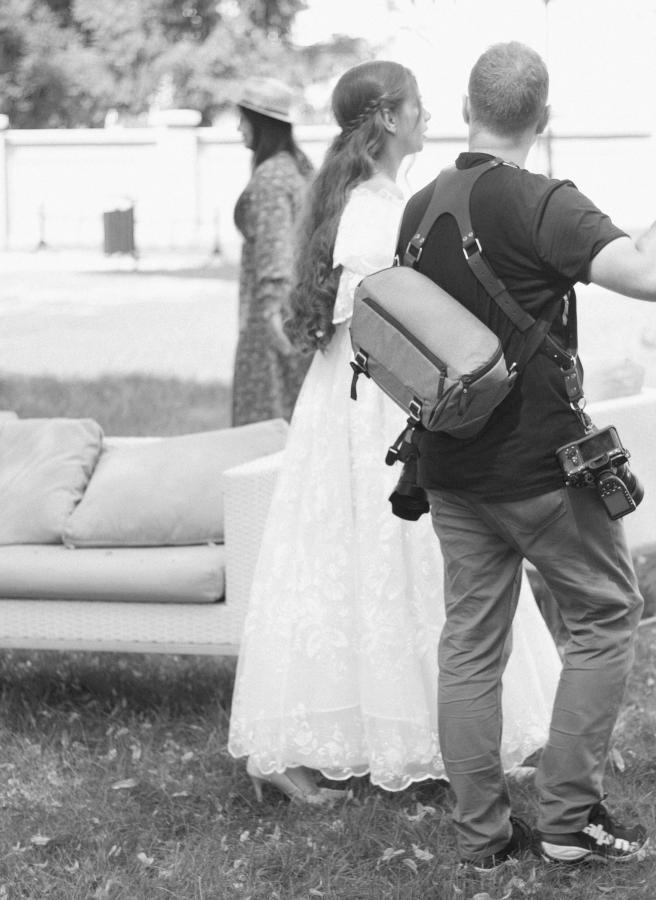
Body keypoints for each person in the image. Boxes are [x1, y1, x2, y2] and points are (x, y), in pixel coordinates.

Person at [396, 41, 656, 870]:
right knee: (606, 613)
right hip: (539, 470)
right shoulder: (543, 202)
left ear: (467, 109)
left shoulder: (420, 208)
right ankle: (569, 821)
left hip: (450, 468)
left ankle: (481, 836)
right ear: (543, 118)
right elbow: (653, 273)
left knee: (470, 644)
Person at [227, 60, 561, 804]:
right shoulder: (372, 209)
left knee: (390, 562)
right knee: (380, 554)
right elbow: (375, 317)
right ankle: (325, 742)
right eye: (416, 104)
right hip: (370, 401)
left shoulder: (377, 199)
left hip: (369, 393)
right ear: (387, 117)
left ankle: (435, 733)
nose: (427, 114)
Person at [232, 76, 315, 427]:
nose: (239, 128)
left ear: (260, 123)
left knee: (265, 427)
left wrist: (270, 317)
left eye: (243, 120)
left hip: (273, 322)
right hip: (298, 314)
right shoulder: (296, 169)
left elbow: (274, 252)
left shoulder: (271, 179)